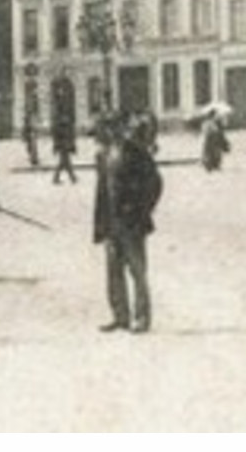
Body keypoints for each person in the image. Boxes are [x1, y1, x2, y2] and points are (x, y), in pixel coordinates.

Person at [94, 115, 161, 334]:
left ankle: (141, 318)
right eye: (104, 129)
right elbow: (102, 193)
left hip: (132, 224)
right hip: (112, 223)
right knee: (113, 272)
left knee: (137, 271)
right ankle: (120, 316)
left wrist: (141, 210)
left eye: (110, 128)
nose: (106, 133)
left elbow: (155, 183)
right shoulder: (104, 154)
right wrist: (101, 225)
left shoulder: (136, 151)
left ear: (120, 128)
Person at [51, 95, 78, 185]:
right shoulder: (61, 121)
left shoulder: (59, 120)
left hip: (63, 144)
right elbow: (62, 134)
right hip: (63, 144)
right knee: (64, 162)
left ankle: (69, 177)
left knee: (64, 162)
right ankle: (71, 178)